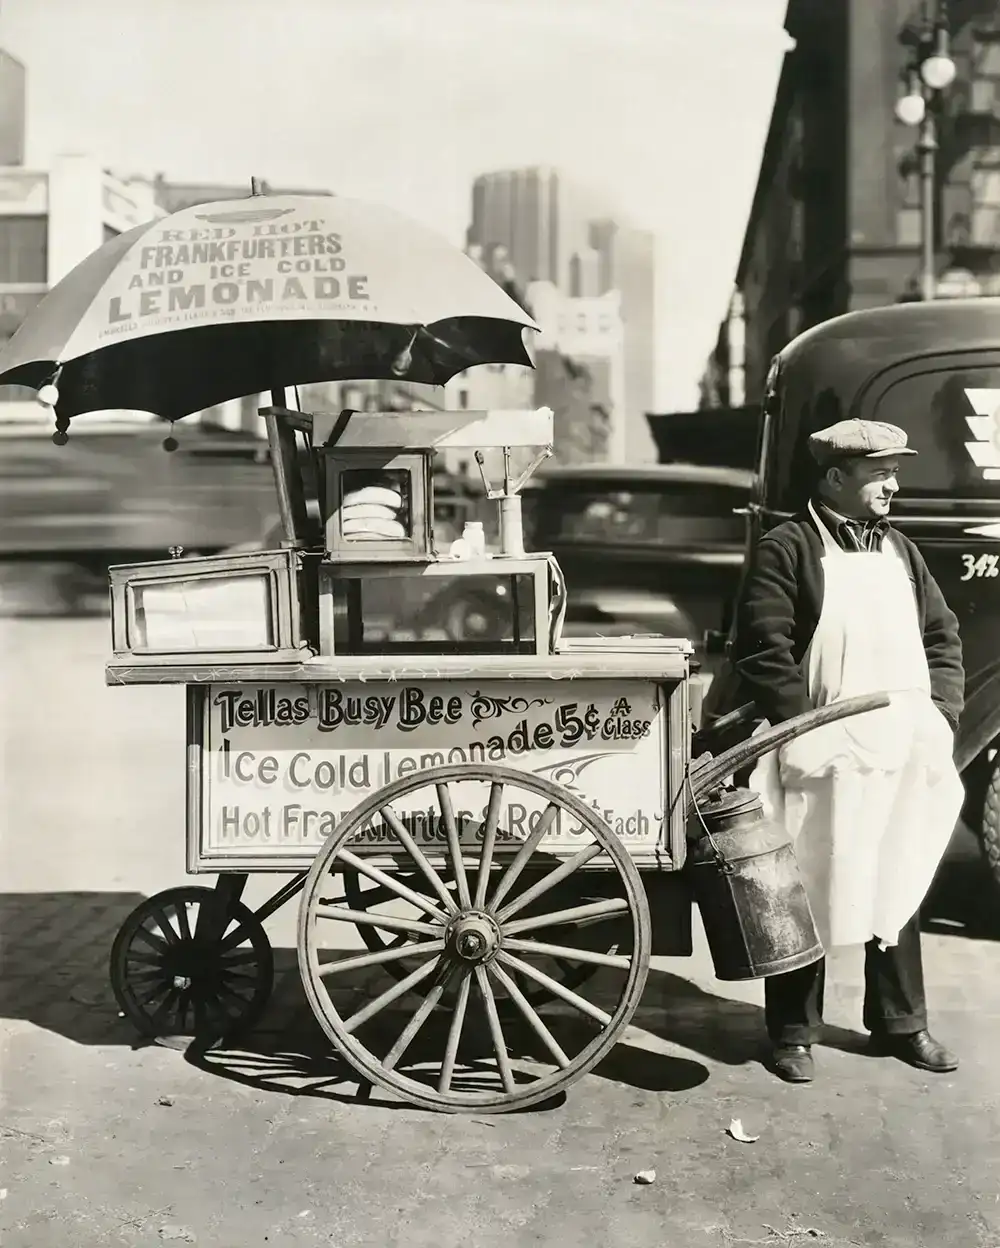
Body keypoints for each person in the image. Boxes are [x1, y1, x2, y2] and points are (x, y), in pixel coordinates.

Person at [730, 418, 965, 1084]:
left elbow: (942, 638)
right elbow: (763, 650)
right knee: (802, 885)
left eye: (895, 472)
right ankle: (793, 1032)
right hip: (817, 752)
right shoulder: (788, 547)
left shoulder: (901, 553)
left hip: (895, 748)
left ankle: (900, 1024)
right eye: (879, 474)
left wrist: (940, 713)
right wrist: (803, 725)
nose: (893, 485)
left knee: (898, 878)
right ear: (836, 478)